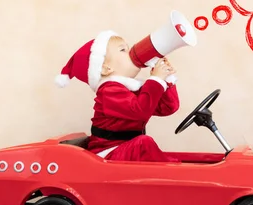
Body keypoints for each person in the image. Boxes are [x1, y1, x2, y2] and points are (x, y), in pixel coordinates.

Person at [55, 30, 180, 162]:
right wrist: (156, 80)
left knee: (143, 144)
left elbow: (167, 107)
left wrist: (167, 79)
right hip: (107, 153)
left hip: (124, 148)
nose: (131, 53)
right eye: (123, 50)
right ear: (106, 68)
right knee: (143, 143)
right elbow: (140, 111)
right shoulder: (109, 90)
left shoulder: (131, 89)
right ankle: (169, 174)